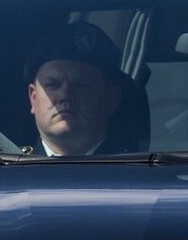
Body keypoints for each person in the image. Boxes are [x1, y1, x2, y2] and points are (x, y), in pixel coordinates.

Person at [24, 24, 126, 157]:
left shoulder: (140, 175)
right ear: (33, 98)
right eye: (53, 85)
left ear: (111, 100)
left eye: (81, 85)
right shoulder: (6, 173)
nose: (65, 96)